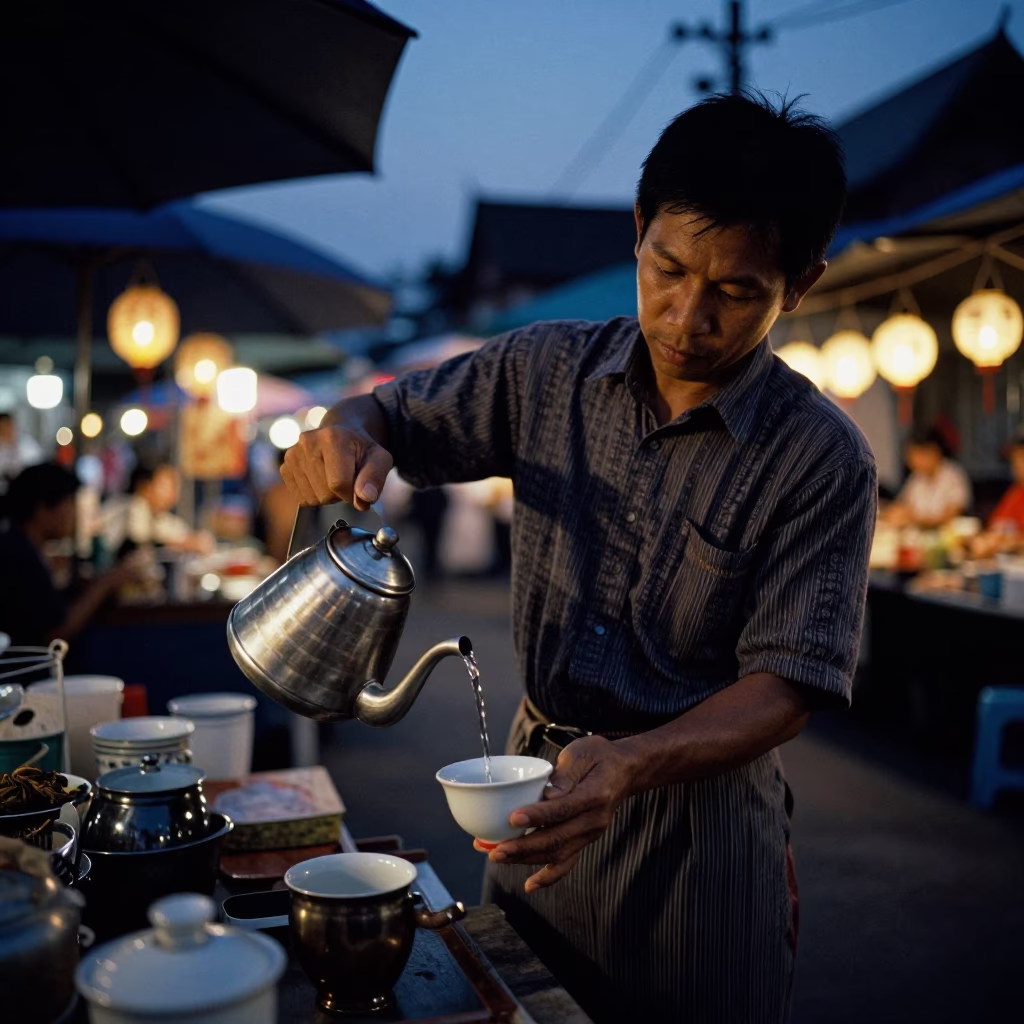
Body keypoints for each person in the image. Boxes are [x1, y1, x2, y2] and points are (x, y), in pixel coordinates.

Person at [281, 92, 875, 1023]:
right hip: (532, 801)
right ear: (638, 232)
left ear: (798, 285)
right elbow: (386, 410)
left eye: (736, 291)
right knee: (520, 1004)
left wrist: (634, 762)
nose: (687, 318)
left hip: (701, 836)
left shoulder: (821, 457)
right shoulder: (544, 370)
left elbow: (789, 684)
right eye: (668, 269)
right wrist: (343, 427)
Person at [0, 463, 144, 647]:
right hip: (29, 672)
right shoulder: (18, 554)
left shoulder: (20, 546)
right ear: (43, 510)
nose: (74, 515)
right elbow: (55, 634)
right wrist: (104, 584)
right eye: (70, 504)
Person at [96, 461, 213, 557]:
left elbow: (176, 531)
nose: (172, 494)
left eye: (175, 487)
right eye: (165, 486)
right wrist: (184, 544)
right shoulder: (130, 506)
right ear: (144, 487)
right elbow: (141, 538)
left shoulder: (159, 516)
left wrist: (193, 540)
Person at [883, 426, 972, 529]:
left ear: (934, 452)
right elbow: (902, 505)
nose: (911, 461)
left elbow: (948, 517)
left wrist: (913, 518)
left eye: (916, 455)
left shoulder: (953, 476)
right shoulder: (917, 478)